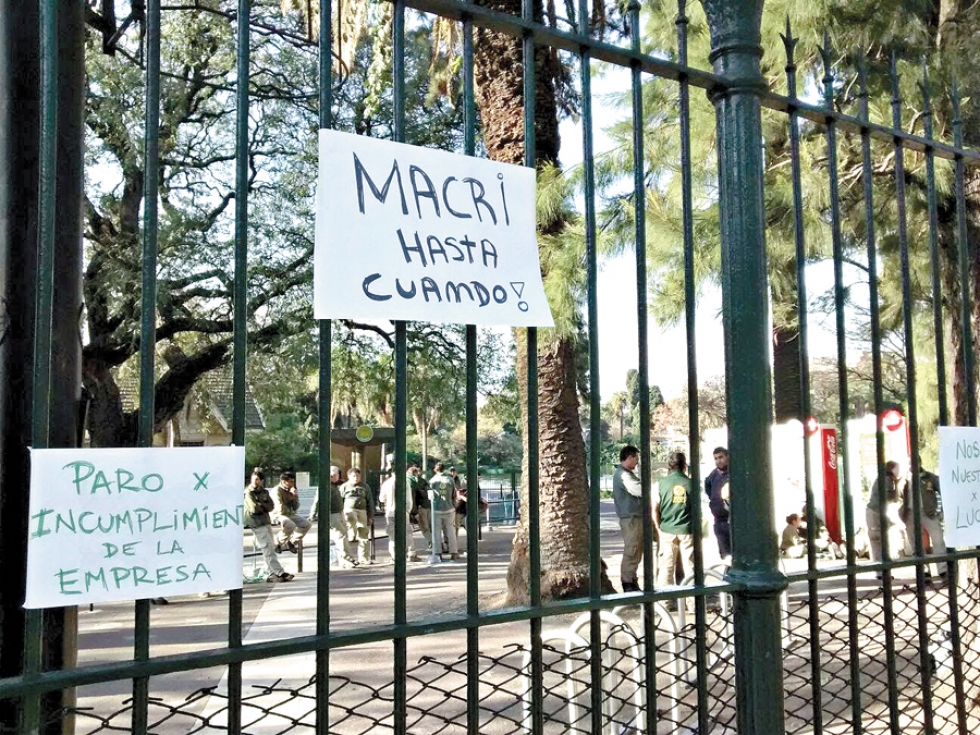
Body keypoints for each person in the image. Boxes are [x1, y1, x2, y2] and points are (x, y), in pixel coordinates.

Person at [243, 468, 294, 582]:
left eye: (257, 480)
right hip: (256, 523)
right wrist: (263, 506)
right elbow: (253, 508)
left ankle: (271, 572)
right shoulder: (249, 492)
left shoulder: (264, 492)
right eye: (253, 479)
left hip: (265, 521)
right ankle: (279, 572)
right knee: (267, 548)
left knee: (270, 546)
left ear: (261, 481)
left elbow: (271, 506)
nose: (255, 482)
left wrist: (261, 505)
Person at [654, 451, 695, 589]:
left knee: (666, 567)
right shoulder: (691, 484)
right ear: (685, 465)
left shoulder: (660, 484)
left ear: (669, 466)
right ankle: (692, 601)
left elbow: (654, 508)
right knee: (690, 567)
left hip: (667, 529)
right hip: (687, 529)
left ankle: (665, 601)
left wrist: (659, 527)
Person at [900, 463, 947, 579]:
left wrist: (941, 510)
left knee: (938, 540)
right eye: (909, 463)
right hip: (910, 513)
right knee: (916, 543)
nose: (911, 466)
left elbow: (944, 490)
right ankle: (924, 570)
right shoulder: (904, 479)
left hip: (928, 513)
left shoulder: (929, 477)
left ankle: (943, 569)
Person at [866, 460, 911, 567]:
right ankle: (880, 566)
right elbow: (890, 497)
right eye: (897, 468)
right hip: (876, 511)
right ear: (892, 469)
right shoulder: (888, 480)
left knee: (880, 537)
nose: (899, 471)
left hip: (876, 511)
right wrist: (898, 484)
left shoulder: (882, 478)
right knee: (877, 538)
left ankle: (882, 563)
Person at [613, 445, 644, 592]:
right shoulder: (624, 475)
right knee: (632, 550)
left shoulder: (627, 474)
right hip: (631, 519)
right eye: (636, 457)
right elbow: (639, 489)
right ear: (629, 457)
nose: (637, 461)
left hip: (634, 517)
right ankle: (628, 582)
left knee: (636, 550)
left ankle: (632, 579)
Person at [379, 471, 419, 562]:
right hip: (403, 511)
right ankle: (411, 553)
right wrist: (408, 510)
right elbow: (409, 498)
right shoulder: (405, 482)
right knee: (407, 533)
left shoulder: (387, 483)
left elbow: (381, 498)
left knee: (393, 535)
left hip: (390, 512)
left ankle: (395, 556)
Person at [271, 471, 311, 554]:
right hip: (277, 514)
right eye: (290, 482)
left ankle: (292, 542)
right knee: (290, 524)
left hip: (289, 514)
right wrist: (290, 511)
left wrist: (294, 496)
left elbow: (296, 507)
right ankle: (278, 543)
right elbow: (280, 508)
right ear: (283, 481)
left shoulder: (291, 490)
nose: (292, 484)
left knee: (306, 524)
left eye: (293, 482)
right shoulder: (277, 491)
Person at [341, 467, 375, 565]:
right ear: (349, 477)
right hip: (349, 510)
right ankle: (351, 533)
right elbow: (340, 500)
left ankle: (364, 557)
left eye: (358, 476)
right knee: (351, 517)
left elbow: (370, 501)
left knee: (363, 533)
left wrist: (371, 516)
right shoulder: (344, 487)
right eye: (353, 476)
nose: (356, 478)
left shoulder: (365, 486)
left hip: (362, 511)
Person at [704, 447, 731, 561]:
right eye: (716, 458)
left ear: (727, 457)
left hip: (732, 520)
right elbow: (708, 486)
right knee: (725, 556)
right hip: (719, 521)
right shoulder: (714, 474)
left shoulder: (734, 473)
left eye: (721, 457)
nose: (718, 461)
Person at [429, 462, 459, 560]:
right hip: (449, 508)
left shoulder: (432, 481)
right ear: (444, 469)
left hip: (436, 509)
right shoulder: (450, 480)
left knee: (436, 531)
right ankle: (454, 552)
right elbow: (454, 494)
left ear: (435, 469)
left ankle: (438, 553)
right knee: (451, 530)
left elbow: (430, 495)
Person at [408, 465, 432, 552]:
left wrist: (414, 511)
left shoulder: (412, 482)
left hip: (420, 507)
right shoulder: (423, 481)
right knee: (429, 526)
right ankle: (434, 543)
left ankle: (432, 542)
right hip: (427, 505)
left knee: (424, 526)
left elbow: (413, 497)